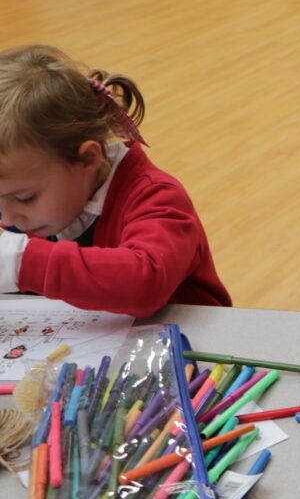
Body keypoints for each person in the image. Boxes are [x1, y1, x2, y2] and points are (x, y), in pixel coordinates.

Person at [0, 45, 231, 317]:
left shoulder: (156, 196)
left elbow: (145, 282)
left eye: (25, 198)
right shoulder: (25, 194)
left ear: (87, 159)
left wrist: (21, 262)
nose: (8, 218)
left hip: (192, 340)